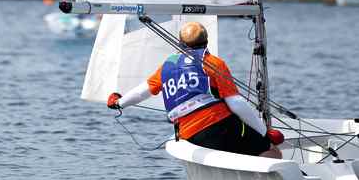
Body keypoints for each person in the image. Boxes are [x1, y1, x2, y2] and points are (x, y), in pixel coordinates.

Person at [106, 21, 283, 158]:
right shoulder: (213, 63)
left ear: (180, 43)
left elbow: (142, 91)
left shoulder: (167, 66)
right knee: (273, 152)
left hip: (190, 136)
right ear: (206, 42)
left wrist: (118, 102)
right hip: (220, 128)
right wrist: (266, 133)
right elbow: (236, 104)